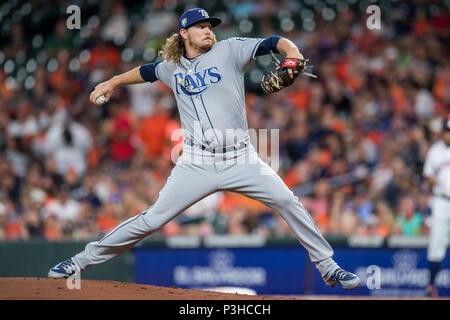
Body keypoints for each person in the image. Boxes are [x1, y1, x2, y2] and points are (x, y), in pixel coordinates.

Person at [48, 8, 361, 290]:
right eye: (200, 26)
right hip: (196, 162)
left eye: (210, 25)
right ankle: (79, 262)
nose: (208, 30)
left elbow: (275, 42)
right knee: (152, 219)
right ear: (184, 33)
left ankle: (329, 267)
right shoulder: (172, 67)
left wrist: (293, 54)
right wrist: (112, 82)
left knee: (287, 200)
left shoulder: (229, 50)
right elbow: (147, 71)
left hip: (241, 158)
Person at [423, 115, 450, 298]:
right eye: (447, 132)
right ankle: (431, 286)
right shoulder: (435, 151)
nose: (448, 135)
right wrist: (435, 183)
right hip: (441, 201)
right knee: (436, 246)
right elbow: (428, 174)